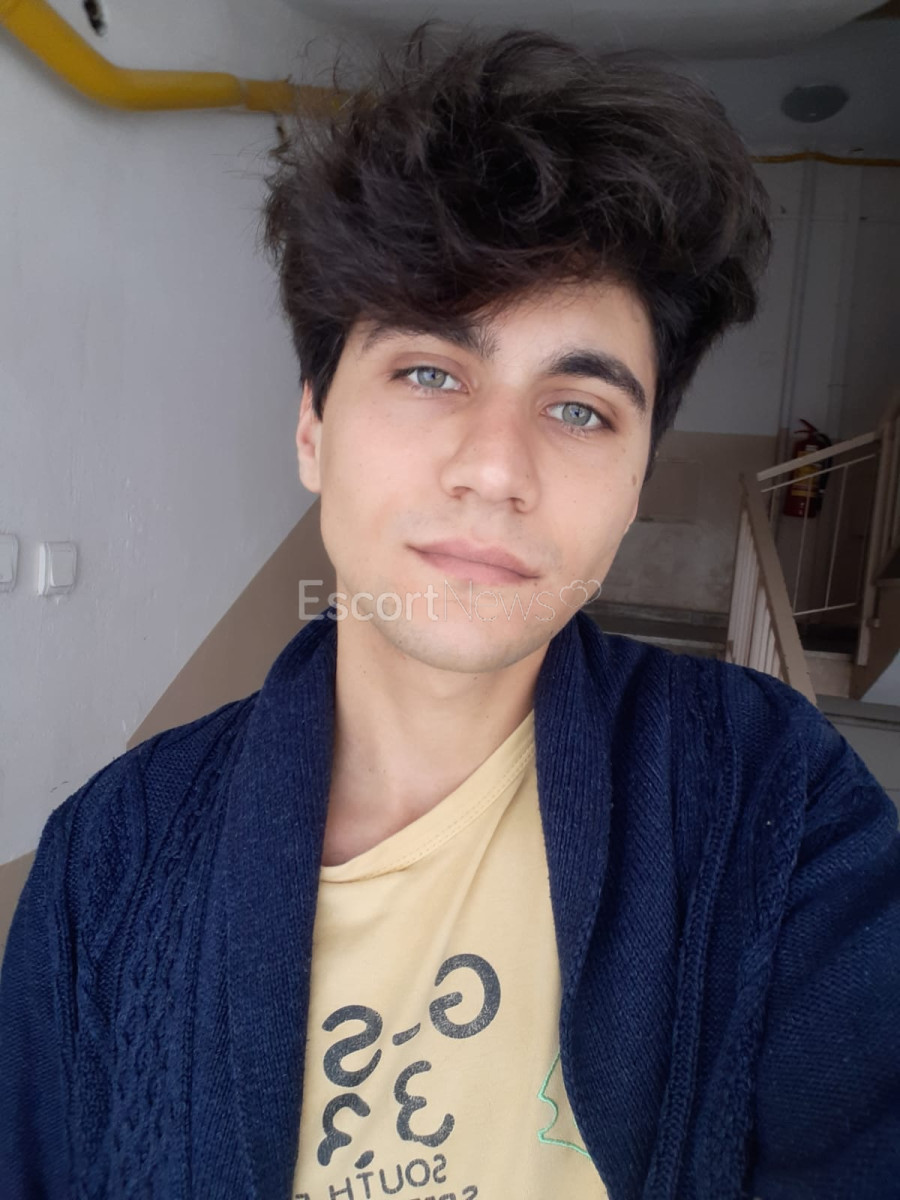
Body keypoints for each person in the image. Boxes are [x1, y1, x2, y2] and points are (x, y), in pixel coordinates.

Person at [2, 22, 898, 1200]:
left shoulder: (773, 801)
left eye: (580, 409)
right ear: (313, 426)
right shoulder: (107, 862)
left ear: (637, 476)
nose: (496, 468)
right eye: (429, 372)